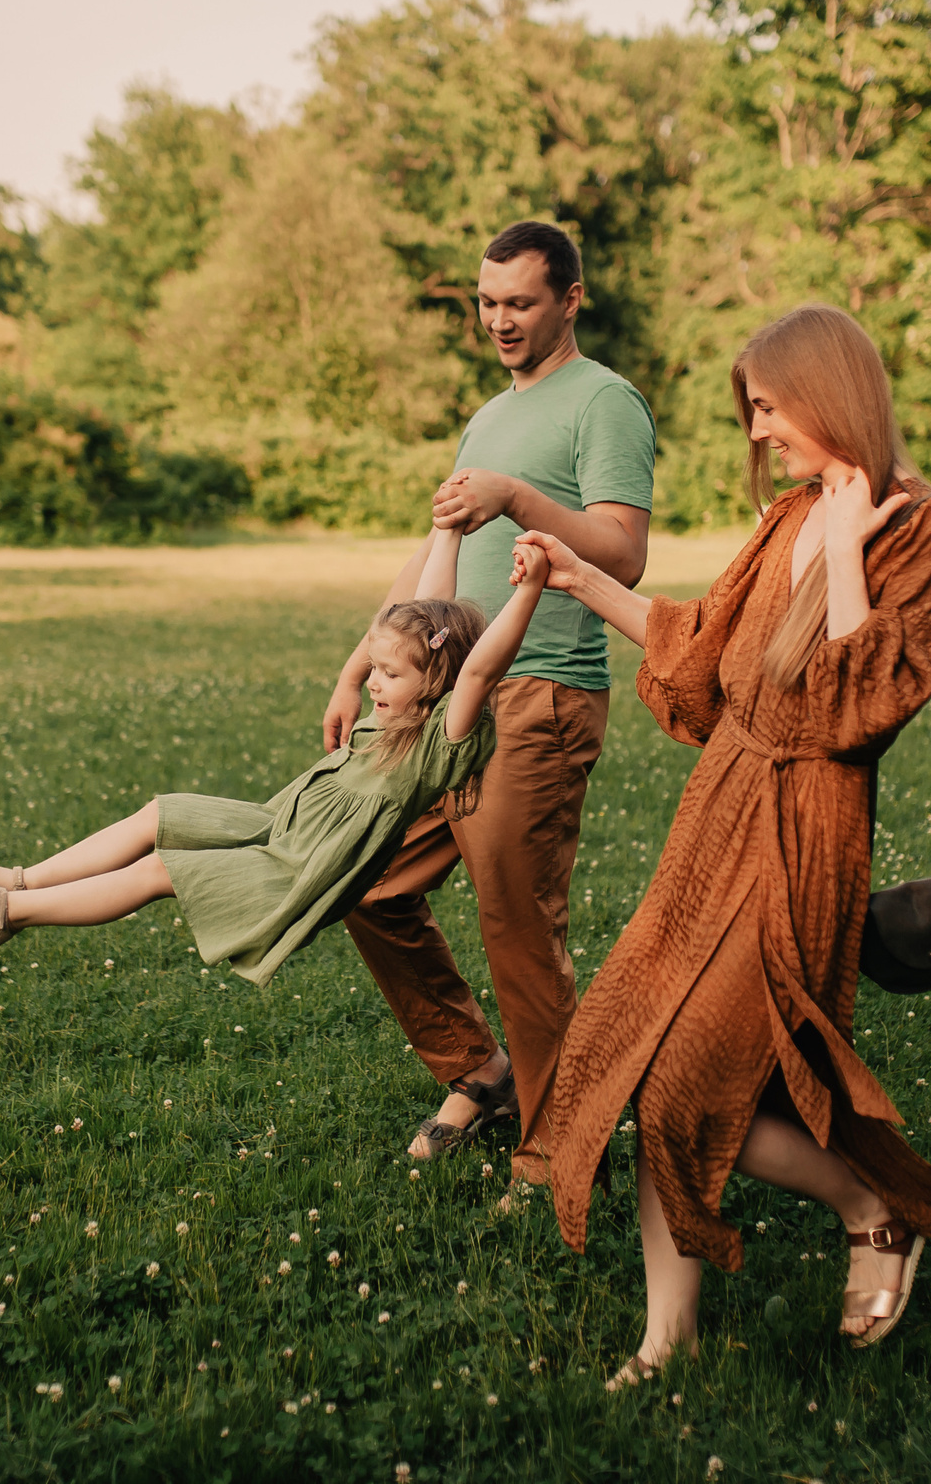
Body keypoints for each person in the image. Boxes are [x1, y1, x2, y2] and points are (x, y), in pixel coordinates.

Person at [508, 303, 931, 1376]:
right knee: (634, 1051)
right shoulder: (787, 519)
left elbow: (857, 704)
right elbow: (701, 649)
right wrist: (576, 575)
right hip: (718, 815)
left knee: (695, 1079)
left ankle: (874, 1204)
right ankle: (666, 1340)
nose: (759, 433)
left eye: (771, 409)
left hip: (803, 827)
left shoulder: (928, 530)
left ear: (833, 395)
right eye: (753, 414)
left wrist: (846, 552)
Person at [322, 220, 656, 1162]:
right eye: (488, 303)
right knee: (365, 881)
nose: (500, 321)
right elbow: (440, 553)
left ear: (569, 300)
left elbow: (623, 550)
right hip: (439, 700)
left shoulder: (606, 403)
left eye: (520, 303)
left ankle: (557, 1149)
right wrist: (359, 664)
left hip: (538, 696)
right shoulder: (488, 417)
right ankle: (482, 1073)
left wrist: (516, 496)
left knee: (518, 930)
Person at [0, 521, 546, 986]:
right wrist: (446, 532)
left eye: (387, 673)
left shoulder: (440, 738)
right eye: (374, 669)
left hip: (300, 865)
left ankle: (7, 911)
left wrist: (530, 589)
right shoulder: (402, 702)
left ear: (435, 680)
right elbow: (420, 613)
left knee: (159, 871)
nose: (373, 683)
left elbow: (479, 670)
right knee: (160, 815)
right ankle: (15, 878)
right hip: (276, 825)